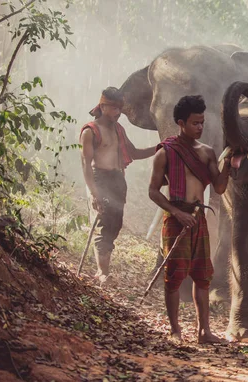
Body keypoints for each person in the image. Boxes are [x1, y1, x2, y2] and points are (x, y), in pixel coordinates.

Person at [148, 95, 230, 343]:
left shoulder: (207, 152)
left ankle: (204, 331)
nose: (200, 127)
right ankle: (175, 331)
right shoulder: (166, 152)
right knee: (174, 274)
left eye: (202, 122)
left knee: (202, 275)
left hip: (198, 217)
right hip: (175, 218)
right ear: (181, 123)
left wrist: (229, 164)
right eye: (195, 123)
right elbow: (153, 191)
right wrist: (177, 213)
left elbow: (219, 188)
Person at [80, 87, 156, 285]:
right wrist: (94, 193)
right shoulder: (90, 131)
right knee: (103, 224)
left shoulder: (118, 129)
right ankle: (102, 272)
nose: (118, 113)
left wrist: (161, 147)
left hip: (117, 180)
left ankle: (103, 268)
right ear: (103, 106)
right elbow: (86, 165)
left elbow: (135, 153)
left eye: (120, 109)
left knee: (115, 224)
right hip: (100, 179)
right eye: (114, 108)